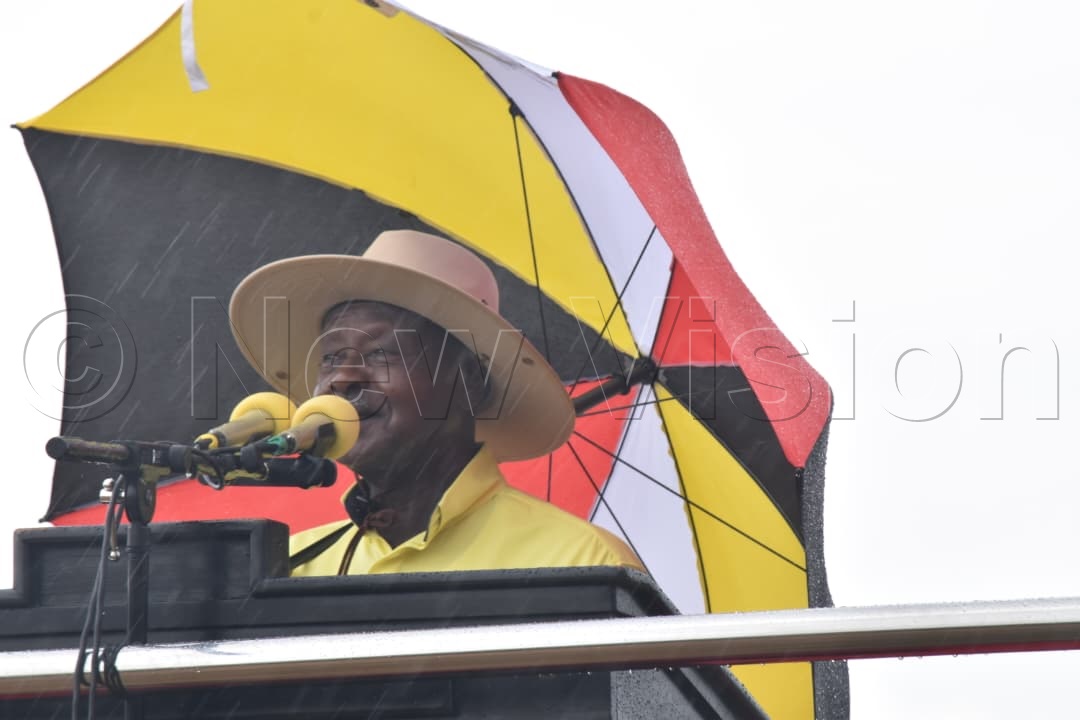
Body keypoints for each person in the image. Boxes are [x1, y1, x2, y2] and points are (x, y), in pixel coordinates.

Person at [228, 229, 643, 576]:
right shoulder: (288, 570)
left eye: (381, 353)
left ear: (468, 383)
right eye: (331, 358)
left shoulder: (580, 564)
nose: (343, 377)